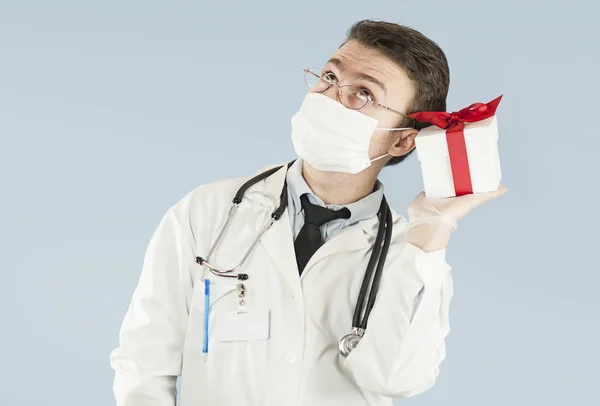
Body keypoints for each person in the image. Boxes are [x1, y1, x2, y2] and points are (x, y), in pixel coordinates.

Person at [110, 20, 506, 406]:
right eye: (331, 77)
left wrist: (431, 233)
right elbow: (143, 362)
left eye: (363, 93)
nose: (330, 97)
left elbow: (399, 378)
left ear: (403, 140)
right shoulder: (208, 211)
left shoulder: (411, 252)